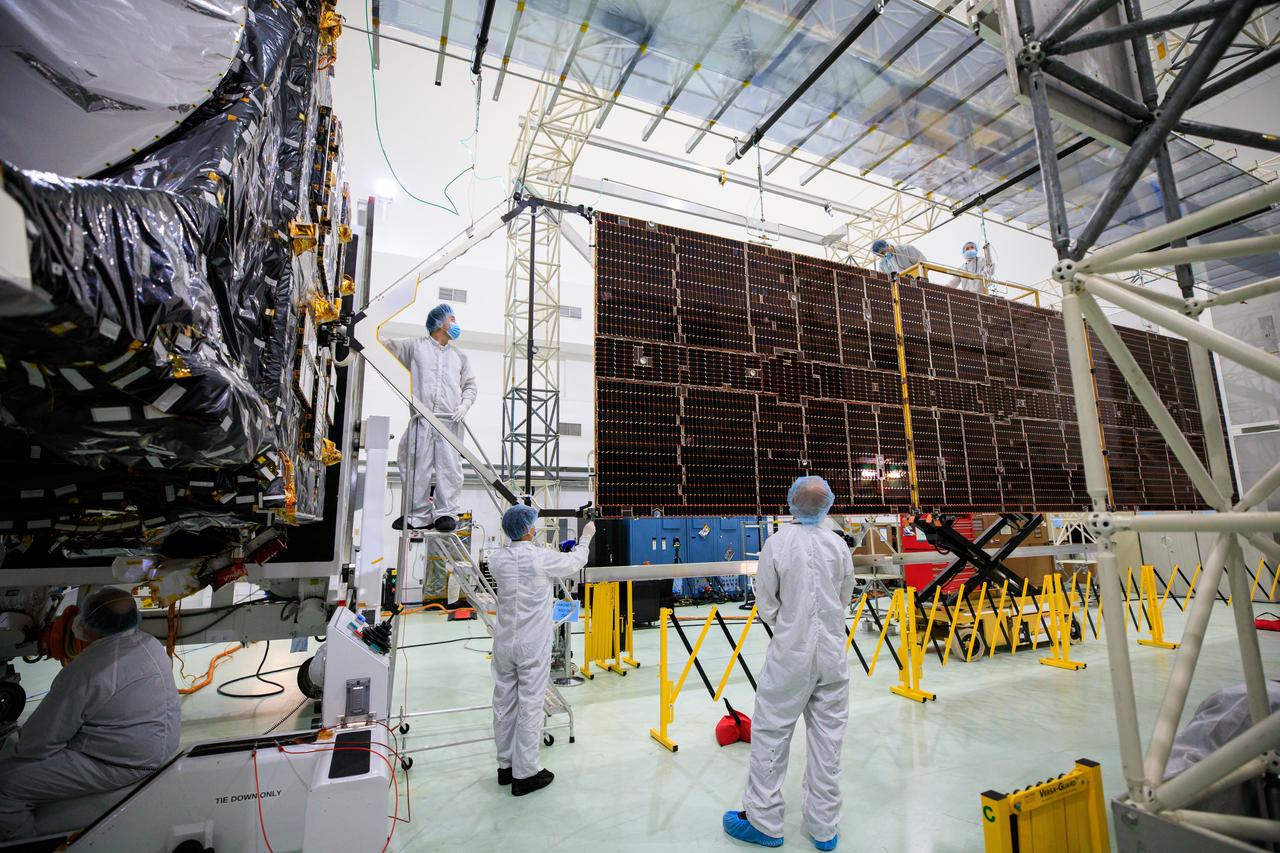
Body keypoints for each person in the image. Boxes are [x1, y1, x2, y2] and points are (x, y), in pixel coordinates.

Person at [723, 476, 854, 850]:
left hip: (790, 656)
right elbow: (844, 597)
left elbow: (766, 604)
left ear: (792, 502)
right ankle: (824, 829)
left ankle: (764, 823)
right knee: (828, 740)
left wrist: (793, 627)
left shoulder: (777, 543)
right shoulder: (838, 545)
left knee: (771, 733)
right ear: (827, 505)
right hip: (833, 656)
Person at [0, 588, 180, 841]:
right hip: (160, 745)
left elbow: (39, 742)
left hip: (121, 762)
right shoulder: (149, 643)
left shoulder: (87, 671)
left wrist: (14, 750)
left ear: (88, 622)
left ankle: (27, 845)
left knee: (5, 787)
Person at [489, 505, 595, 796]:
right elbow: (575, 562)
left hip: (504, 644)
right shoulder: (540, 558)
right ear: (528, 529)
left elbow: (520, 565)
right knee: (530, 704)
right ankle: (525, 773)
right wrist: (586, 536)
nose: (535, 528)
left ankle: (505, 767)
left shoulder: (497, 560)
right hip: (531, 645)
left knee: (503, 704)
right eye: (533, 525)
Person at [384, 303, 477, 532]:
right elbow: (383, 346)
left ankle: (446, 513)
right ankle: (417, 515)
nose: (455, 324)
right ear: (438, 323)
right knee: (415, 465)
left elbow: (470, 385)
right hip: (422, 419)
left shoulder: (459, 356)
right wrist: (352, 333)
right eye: (452, 320)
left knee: (450, 469)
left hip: (450, 421)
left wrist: (464, 405)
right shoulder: (415, 347)